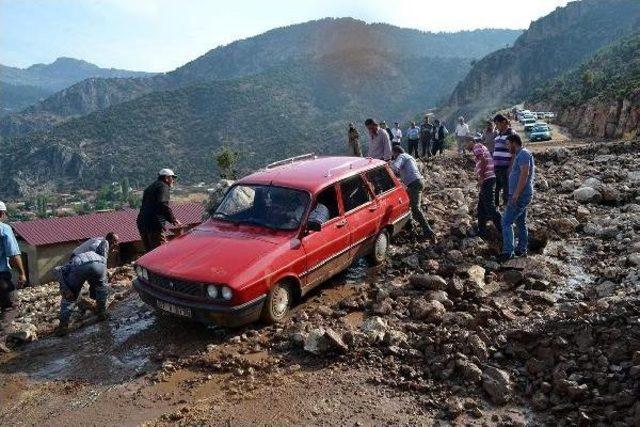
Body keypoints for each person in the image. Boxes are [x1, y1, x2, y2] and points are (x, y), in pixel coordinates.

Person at [53, 236, 119, 336]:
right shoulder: (98, 248)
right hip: (99, 264)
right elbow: (97, 281)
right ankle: (102, 313)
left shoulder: (66, 266)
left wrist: (67, 290)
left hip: (80, 265)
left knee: (69, 299)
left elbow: (59, 272)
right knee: (101, 288)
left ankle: (62, 327)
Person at [500, 133, 535, 262]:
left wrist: (515, 194)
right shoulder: (520, 154)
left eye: (508, 144)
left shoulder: (524, 154)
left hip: (520, 195)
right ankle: (521, 249)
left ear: (514, 142)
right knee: (520, 222)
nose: (507, 147)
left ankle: (509, 252)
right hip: (520, 194)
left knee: (506, 222)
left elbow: (524, 175)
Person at [391, 146, 437, 242]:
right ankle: (409, 225)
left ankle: (428, 232)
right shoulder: (409, 157)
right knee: (406, 202)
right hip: (417, 182)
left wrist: (389, 165)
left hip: (414, 183)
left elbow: (395, 167)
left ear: (396, 152)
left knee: (416, 208)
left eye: (393, 154)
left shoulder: (402, 156)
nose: (393, 156)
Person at [0, 202, 27, 352]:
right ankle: (1, 338)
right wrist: (22, 273)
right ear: (1, 214)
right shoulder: (4, 229)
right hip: (1, 276)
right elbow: (13, 254)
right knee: (10, 305)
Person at [137, 169, 181, 253]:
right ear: (167, 178)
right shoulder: (163, 186)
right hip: (154, 224)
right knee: (160, 252)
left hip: (142, 223)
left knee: (149, 253)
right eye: (172, 178)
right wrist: (173, 220)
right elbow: (163, 204)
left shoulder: (150, 187)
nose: (173, 181)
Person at [465, 139, 502, 240]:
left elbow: (483, 161)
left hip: (488, 179)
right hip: (487, 179)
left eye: (466, 144)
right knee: (481, 208)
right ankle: (482, 231)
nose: (465, 147)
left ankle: (503, 229)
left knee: (490, 206)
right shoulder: (480, 147)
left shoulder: (476, 146)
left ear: (470, 141)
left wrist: (481, 177)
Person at [492, 114, 516, 207]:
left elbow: (514, 152)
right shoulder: (498, 134)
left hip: (506, 166)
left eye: (497, 124)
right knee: (497, 186)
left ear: (504, 122)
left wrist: (511, 166)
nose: (496, 126)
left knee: (507, 185)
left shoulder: (511, 134)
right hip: (497, 166)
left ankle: (507, 204)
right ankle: (497, 205)